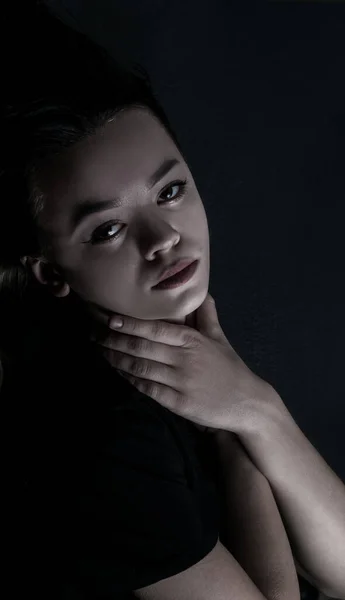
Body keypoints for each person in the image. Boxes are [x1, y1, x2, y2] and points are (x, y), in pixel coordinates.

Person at [0, 7, 326, 600]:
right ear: (49, 273)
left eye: (170, 190)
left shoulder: (189, 358)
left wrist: (256, 408)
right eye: (107, 230)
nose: (165, 238)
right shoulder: (95, 432)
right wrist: (235, 436)